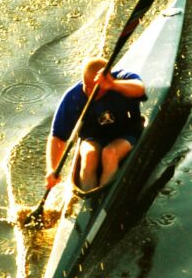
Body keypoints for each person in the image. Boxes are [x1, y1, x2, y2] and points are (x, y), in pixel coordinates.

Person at [45, 57, 146, 192]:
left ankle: (103, 196)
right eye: (87, 87)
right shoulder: (72, 97)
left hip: (125, 133)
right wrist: (52, 169)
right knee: (88, 155)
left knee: (109, 154)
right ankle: (88, 201)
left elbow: (139, 89)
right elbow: (57, 137)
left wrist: (114, 85)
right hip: (93, 136)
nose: (91, 93)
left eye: (97, 89)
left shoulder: (120, 78)